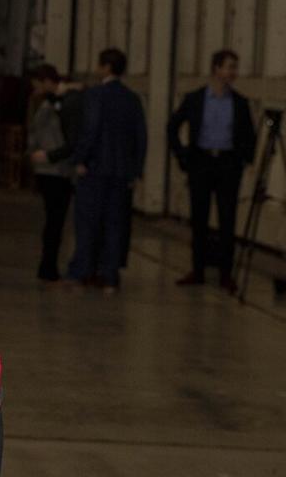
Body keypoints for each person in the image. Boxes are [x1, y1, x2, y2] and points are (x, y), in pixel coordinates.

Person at [168, 48, 257, 293]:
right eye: (229, 67)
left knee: (227, 220)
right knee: (199, 218)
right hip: (202, 162)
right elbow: (173, 126)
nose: (233, 73)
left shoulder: (239, 103)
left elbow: (249, 134)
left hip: (227, 164)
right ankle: (197, 269)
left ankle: (226, 273)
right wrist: (183, 156)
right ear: (216, 69)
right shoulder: (195, 99)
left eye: (235, 68)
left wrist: (243, 160)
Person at [66, 47, 147, 292]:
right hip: (122, 172)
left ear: (106, 67)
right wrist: (136, 170)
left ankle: (84, 270)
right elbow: (140, 137)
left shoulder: (96, 95)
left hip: (95, 169)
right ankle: (109, 275)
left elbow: (91, 129)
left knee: (88, 222)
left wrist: (80, 158)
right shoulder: (132, 98)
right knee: (115, 224)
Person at [27, 63, 82, 283]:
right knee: (53, 220)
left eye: (38, 84)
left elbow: (70, 139)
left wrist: (49, 155)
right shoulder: (45, 103)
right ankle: (48, 265)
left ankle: (48, 265)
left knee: (55, 221)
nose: (35, 89)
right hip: (49, 169)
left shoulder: (64, 102)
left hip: (57, 169)